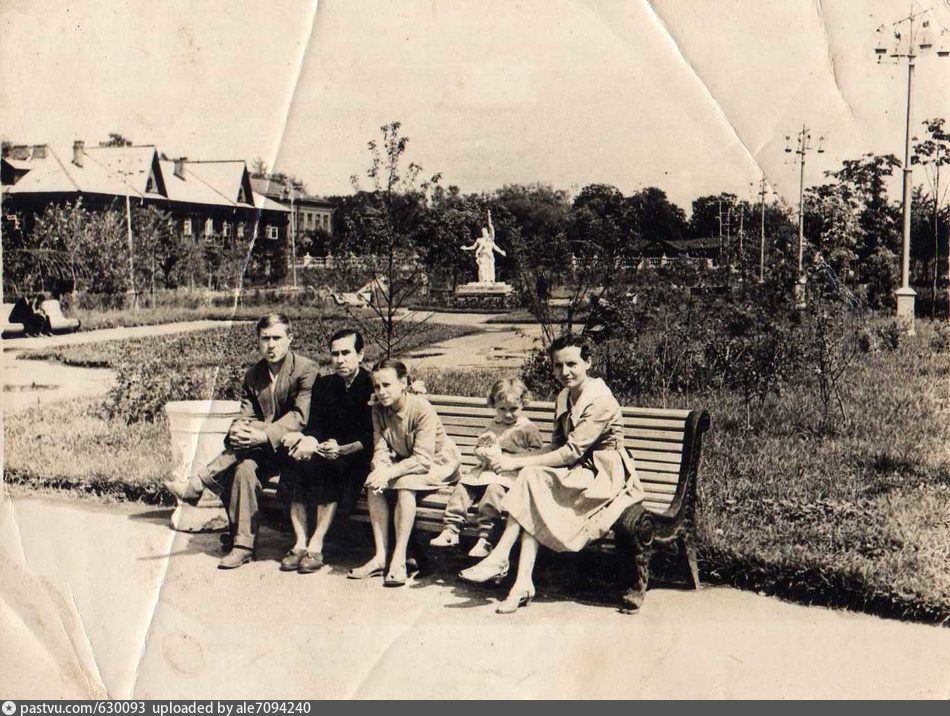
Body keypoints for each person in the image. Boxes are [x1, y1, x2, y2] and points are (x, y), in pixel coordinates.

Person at [459, 334, 644, 613]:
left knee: (531, 481)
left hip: (604, 475)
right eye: (558, 365)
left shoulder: (601, 400)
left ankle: (503, 559)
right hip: (577, 471)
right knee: (532, 482)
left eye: (572, 364)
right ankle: (521, 582)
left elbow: (571, 452)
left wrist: (515, 464)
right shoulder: (564, 396)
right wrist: (514, 459)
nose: (564, 372)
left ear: (588, 362)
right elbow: (557, 445)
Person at [166, 313, 318, 569]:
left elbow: (300, 417)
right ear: (258, 341)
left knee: (248, 444)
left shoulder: (306, 369)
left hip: (297, 449)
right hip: (261, 451)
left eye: (277, 338)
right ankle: (243, 546)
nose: (271, 345)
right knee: (243, 469)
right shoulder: (254, 375)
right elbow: (245, 415)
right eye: (265, 339)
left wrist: (262, 433)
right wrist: (237, 429)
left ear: (290, 339)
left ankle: (199, 482)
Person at [348, 359, 462, 587]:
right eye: (377, 386)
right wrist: (380, 469)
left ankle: (398, 559)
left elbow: (423, 459)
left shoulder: (421, 409)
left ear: (403, 383)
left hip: (438, 464)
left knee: (404, 484)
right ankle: (380, 557)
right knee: (373, 483)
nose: (381, 392)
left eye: (387, 385)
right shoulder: (378, 409)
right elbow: (380, 448)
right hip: (407, 463)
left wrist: (390, 472)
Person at [277, 329, 374, 574]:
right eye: (335, 354)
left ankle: (316, 544)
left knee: (331, 468)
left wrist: (341, 449)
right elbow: (315, 424)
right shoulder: (325, 384)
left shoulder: (373, 384)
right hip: (325, 451)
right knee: (294, 462)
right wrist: (311, 441)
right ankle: (300, 543)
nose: (339, 360)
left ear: (360, 354)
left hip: (357, 458)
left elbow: (373, 435)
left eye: (346, 353)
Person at [429, 378, 543, 558]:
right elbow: (482, 444)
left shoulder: (528, 428)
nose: (507, 414)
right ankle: (451, 529)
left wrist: (511, 458)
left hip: (510, 474)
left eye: (513, 409)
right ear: (494, 405)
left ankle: (486, 538)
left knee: (493, 491)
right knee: (463, 487)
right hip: (485, 470)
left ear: (523, 403)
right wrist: (481, 452)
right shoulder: (493, 425)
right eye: (502, 409)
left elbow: (536, 455)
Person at [461, 210, 506, 284]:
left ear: (487, 233)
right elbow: (473, 247)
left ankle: (491, 281)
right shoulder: (479, 240)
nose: (483, 233)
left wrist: (489, 216)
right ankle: (483, 281)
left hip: (489, 255)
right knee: (482, 269)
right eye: (482, 232)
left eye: (485, 231)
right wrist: (466, 248)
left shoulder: (490, 240)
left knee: (490, 268)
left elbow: (491, 228)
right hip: (482, 256)